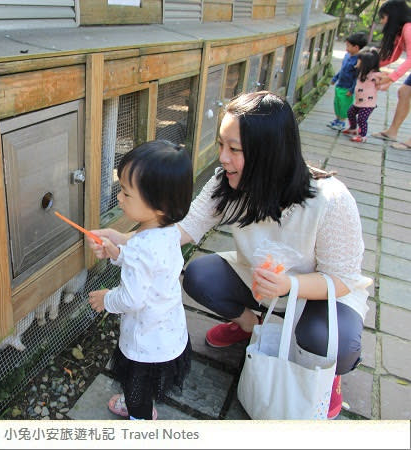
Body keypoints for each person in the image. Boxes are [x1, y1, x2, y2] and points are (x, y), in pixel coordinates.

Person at [88, 92, 372, 420]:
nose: (222, 157)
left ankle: (324, 372)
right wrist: (123, 242)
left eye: (234, 149)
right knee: (199, 276)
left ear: (270, 152)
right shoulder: (229, 182)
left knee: (328, 341)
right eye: (221, 144)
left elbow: (342, 279)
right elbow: (181, 229)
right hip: (258, 281)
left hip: (316, 293)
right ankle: (252, 325)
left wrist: (287, 284)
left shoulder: (331, 200)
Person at [87, 140, 193, 421]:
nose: (119, 198)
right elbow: (149, 269)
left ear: (159, 204)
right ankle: (142, 403)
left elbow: (132, 298)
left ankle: (140, 417)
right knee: (147, 381)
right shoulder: (168, 231)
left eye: (125, 192)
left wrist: (106, 299)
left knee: (136, 383)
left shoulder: (142, 247)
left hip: (145, 341)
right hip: (168, 331)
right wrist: (118, 251)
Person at [370, 0, 411, 150]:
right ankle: (392, 132)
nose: (382, 21)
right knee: (404, 92)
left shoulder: (409, 28)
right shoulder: (401, 32)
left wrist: (391, 77)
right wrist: (371, 64)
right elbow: (393, 57)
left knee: (405, 91)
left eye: (384, 16)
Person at [327, 32, 368, 131]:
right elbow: (343, 69)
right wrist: (335, 78)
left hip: (347, 88)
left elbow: (356, 77)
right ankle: (337, 119)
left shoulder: (358, 61)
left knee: (344, 105)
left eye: (348, 46)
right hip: (340, 85)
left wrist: (352, 89)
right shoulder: (347, 56)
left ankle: (342, 122)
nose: (346, 48)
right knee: (337, 103)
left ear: (356, 47)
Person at [342, 47, 381, 143]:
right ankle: (353, 128)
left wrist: (381, 85)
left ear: (366, 64)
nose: (357, 63)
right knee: (350, 113)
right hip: (358, 101)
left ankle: (362, 135)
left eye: (359, 61)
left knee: (362, 119)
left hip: (368, 103)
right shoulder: (361, 73)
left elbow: (385, 80)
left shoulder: (375, 75)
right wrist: (351, 91)